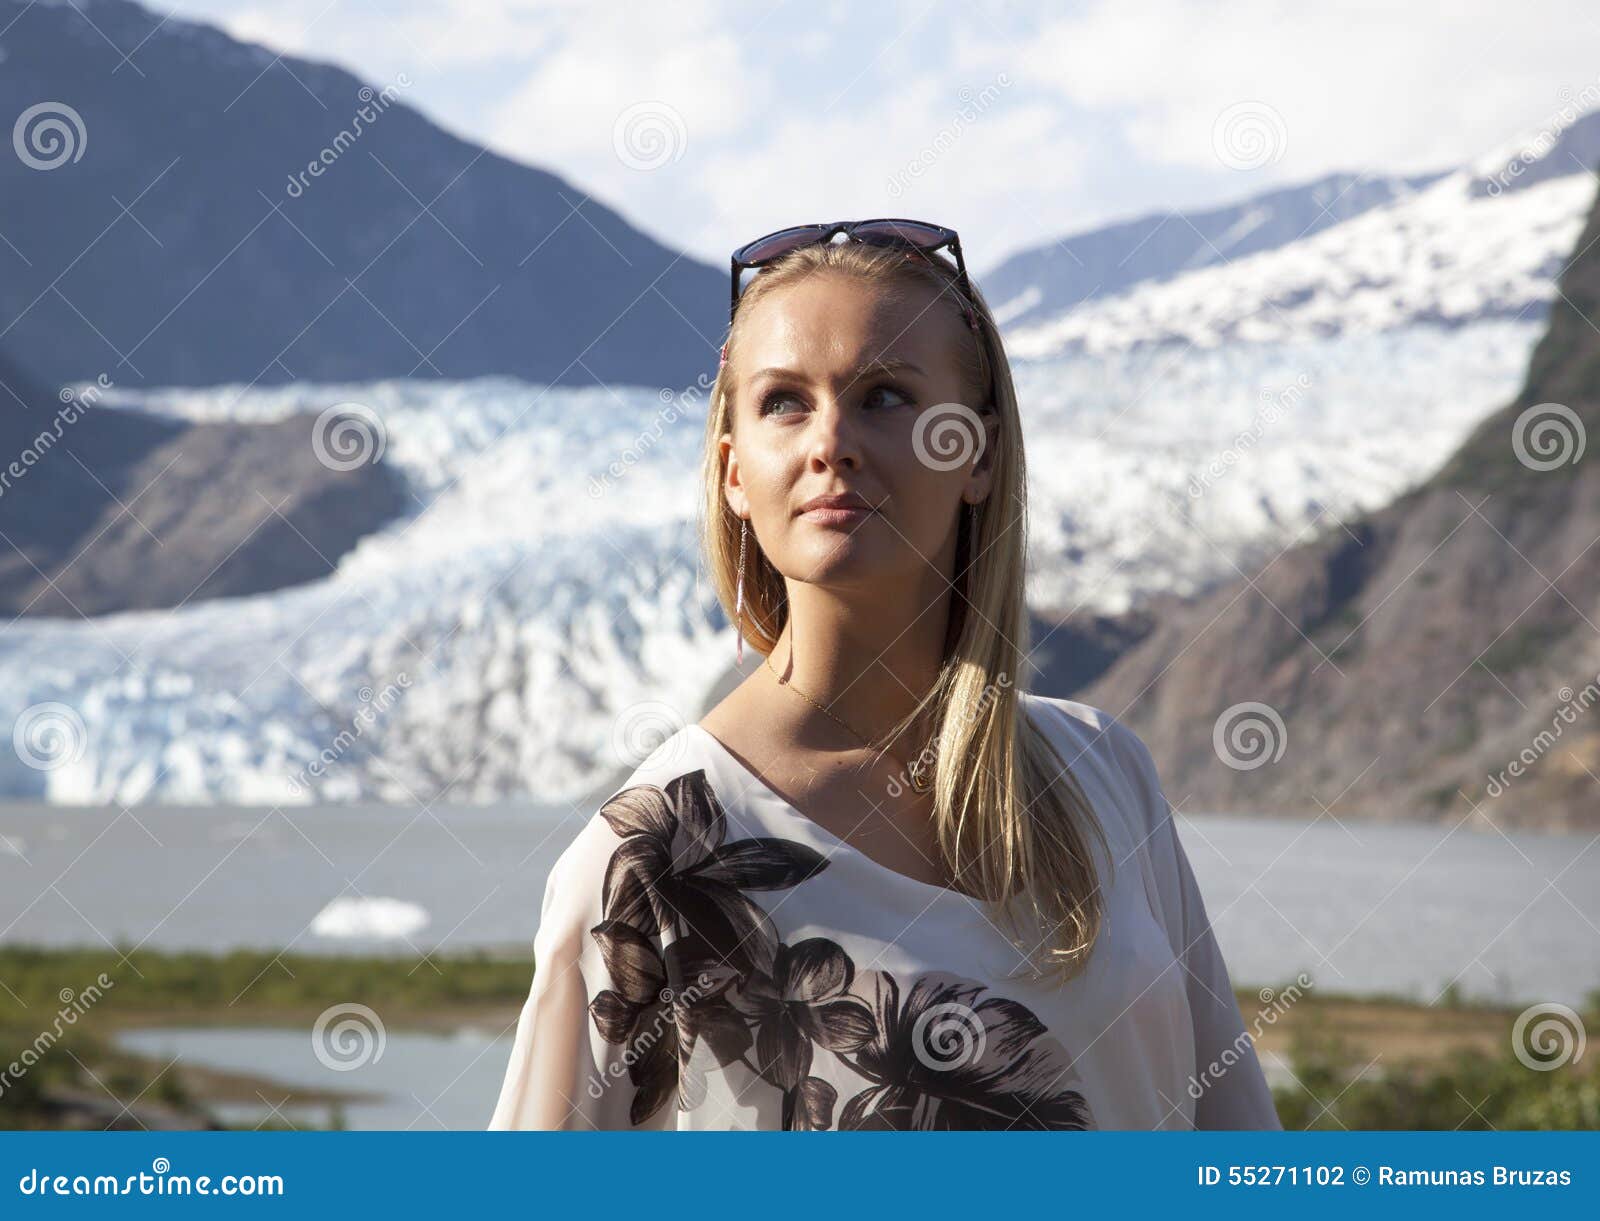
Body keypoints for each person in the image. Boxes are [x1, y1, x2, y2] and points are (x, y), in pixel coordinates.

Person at [488, 220, 1281, 1131]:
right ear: (734, 470)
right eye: (784, 401)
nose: (833, 442)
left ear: (976, 454)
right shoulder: (657, 850)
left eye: (887, 397)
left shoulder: (1105, 773)